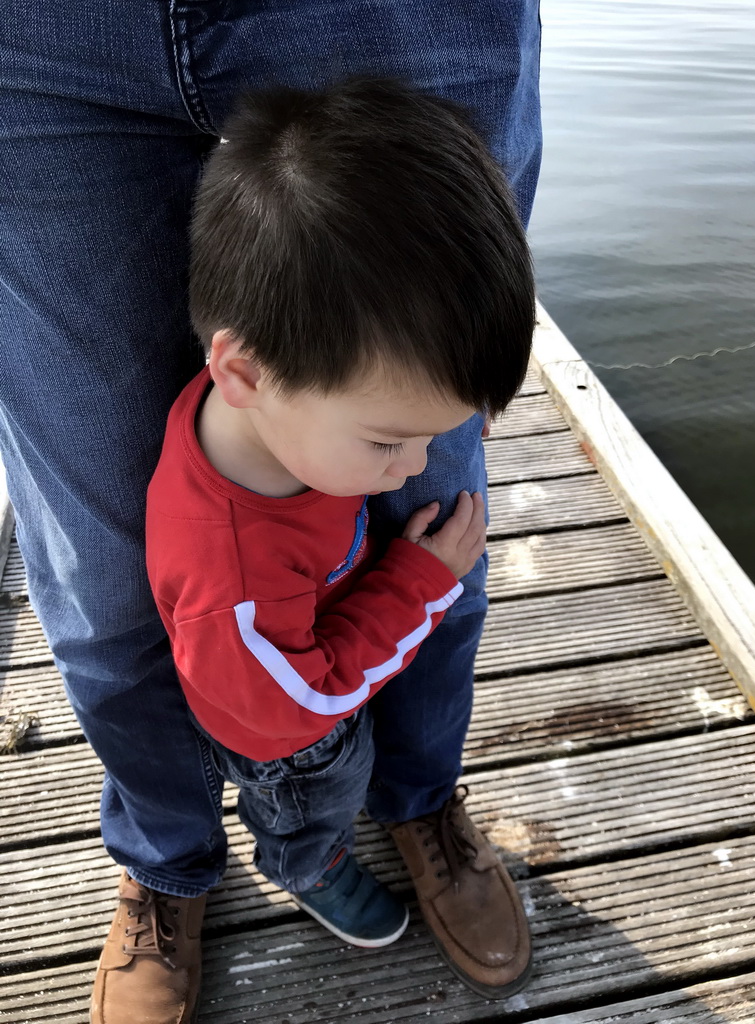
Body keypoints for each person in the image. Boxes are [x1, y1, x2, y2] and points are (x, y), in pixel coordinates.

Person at [0, 5, 542, 1024]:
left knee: (438, 505)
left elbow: (404, 434)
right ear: (240, 372)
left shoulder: (255, 404)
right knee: (108, 595)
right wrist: (411, 585)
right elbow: (288, 708)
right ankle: (250, 862)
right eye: (389, 441)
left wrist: (395, 489)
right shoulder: (233, 595)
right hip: (296, 734)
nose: (414, 462)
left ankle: (421, 798)